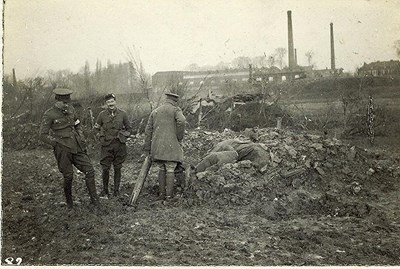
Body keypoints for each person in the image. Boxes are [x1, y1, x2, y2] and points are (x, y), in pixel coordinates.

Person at [39, 88, 101, 210]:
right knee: (68, 176)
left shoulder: (71, 109)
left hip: (77, 146)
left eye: (68, 102)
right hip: (62, 150)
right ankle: (69, 203)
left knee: (89, 170)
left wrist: (80, 135)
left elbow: (77, 123)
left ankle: (95, 201)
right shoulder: (49, 114)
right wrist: (55, 143)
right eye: (64, 103)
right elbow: (42, 135)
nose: (67, 105)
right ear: (57, 101)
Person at [143, 92, 186, 200]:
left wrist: (148, 147)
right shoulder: (176, 110)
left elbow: (148, 130)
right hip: (171, 146)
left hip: (157, 147)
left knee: (162, 168)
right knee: (170, 168)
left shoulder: (155, 111)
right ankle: (169, 196)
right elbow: (182, 121)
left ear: (166, 99)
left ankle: (161, 194)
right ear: (174, 101)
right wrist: (179, 136)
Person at [94, 93, 132, 197]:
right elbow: (96, 128)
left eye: (112, 101)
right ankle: (105, 190)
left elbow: (129, 129)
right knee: (105, 168)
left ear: (115, 101)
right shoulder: (102, 115)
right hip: (106, 146)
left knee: (118, 167)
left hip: (119, 145)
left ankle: (116, 191)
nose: (110, 104)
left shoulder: (123, 114)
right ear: (106, 104)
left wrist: (124, 136)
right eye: (108, 102)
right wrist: (100, 137)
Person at [195, 138, 269, 173]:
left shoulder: (226, 147)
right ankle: (198, 172)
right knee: (211, 162)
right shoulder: (231, 148)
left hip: (233, 155)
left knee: (212, 162)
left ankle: (197, 172)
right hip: (232, 155)